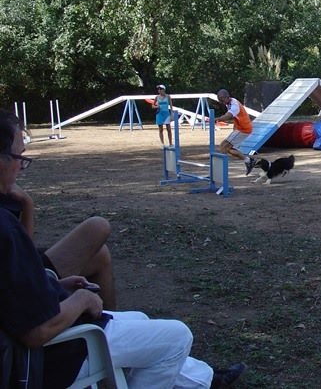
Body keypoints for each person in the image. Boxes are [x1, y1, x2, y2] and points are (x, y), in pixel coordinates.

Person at [0, 109, 246, 388]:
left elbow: (19, 287)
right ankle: (206, 379)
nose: (22, 167)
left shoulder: (7, 222)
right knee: (178, 336)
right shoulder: (5, 229)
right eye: (20, 158)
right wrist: (81, 299)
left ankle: (206, 379)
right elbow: (37, 332)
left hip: (53, 334)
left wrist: (57, 285)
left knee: (140, 320)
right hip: (56, 355)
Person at [215, 89, 255, 175]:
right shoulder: (229, 103)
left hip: (244, 129)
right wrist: (234, 128)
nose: (221, 102)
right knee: (229, 149)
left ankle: (219, 172)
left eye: (222, 100)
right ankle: (248, 160)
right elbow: (235, 117)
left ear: (226, 97)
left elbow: (228, 116)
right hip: (241, 128)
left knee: (223, 146)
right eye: (220, 101)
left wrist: (217, 119)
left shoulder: (234, 105)